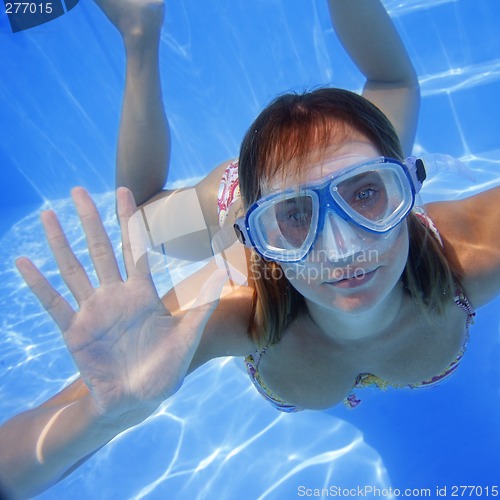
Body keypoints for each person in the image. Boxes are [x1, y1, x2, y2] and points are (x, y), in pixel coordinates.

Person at [0, 0, 499, 498]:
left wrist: (330, 193)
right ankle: (140, 29)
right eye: (293, 216)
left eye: (368, 192)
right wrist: (101, 415)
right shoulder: (238, 305)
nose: (343, 248)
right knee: (137, 221)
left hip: (335, 166)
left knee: (393, 91)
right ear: (254, 232)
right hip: (235, 199)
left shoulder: (468, 252)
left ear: (408, 186)